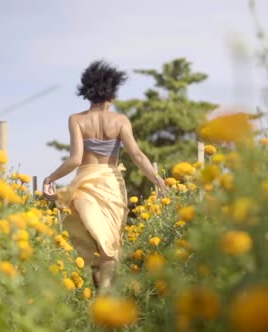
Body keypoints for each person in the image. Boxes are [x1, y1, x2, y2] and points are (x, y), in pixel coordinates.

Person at [42, 60, 167, 293]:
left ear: (87, 90)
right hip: (111, 184)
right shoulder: (120, 121)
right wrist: (157, 180)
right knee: (110, 244)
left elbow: (75, 160)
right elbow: (138, 156)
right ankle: (105, 294)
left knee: (92, 238)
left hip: (85, 183)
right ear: (112, 91)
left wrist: (50, 178)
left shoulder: (76, 120)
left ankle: (99, 288)